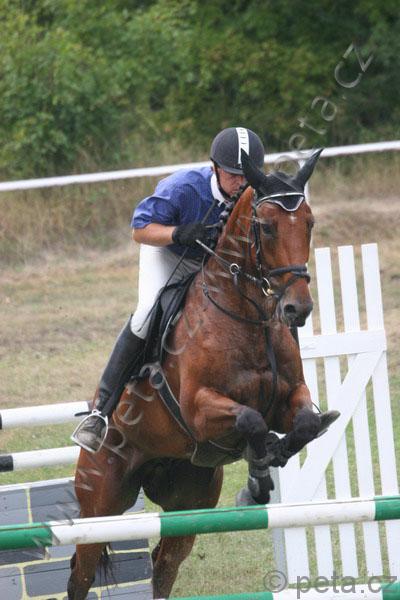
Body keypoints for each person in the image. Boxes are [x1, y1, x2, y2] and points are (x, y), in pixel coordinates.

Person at [71, 127, 266, 453]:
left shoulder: (256, 194)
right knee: (146, 314)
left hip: (214, 265)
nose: (241, 183)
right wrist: (178, 233)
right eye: (233, 175)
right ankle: (101, 412)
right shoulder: (182, 188)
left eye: (247, 175)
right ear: (214, 168)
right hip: (168, 255)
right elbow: (139, 230)